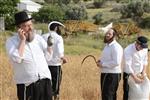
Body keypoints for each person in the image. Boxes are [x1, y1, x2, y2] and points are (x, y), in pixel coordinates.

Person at [5, 11, 53, 100]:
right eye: (26, 26)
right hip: (27, 85)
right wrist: (22, 41)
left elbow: (48, 57)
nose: (30, 28)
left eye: (31, 25)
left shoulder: (38, 38)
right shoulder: (11, 42)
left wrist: (50, 46)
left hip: (45, 82)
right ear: (19, 28)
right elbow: (17, 59)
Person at [42, 21, 67, 100]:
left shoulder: (43, 36)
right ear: (56, 28)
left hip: (44, 65)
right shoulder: (58, 37)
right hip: (55, 65)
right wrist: (63, 58)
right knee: (55, 87)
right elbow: (60, 51)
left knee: (45, 85)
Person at [97, 28, 123, 100]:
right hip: (106, 73)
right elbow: (108, 58)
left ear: (114, 36)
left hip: (112, 75)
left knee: (108, 96)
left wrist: (103, 64)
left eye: (109, 34)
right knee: (106, 96)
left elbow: (116, 62)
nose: (107, 35)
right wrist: (100, 61)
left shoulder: (116, 47)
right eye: (106, 33)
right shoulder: (107, 46)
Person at [123, 36, 149, 100]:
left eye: (144, 47)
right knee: (127, 94)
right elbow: (128, 66)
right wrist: (135, 78)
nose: (142, 48)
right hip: (130, 75)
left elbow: (145, 61)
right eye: (141, 47)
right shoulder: (128, 50)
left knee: (144, 92)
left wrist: (143, 72)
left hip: (140, 74)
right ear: (137, 43)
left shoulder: (144, 49)